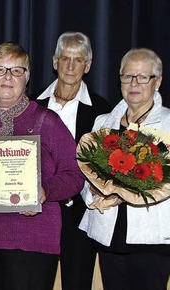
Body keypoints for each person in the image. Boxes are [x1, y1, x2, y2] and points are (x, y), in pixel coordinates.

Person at [0, 42, 85, 290]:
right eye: (0, 69)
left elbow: (75, 174)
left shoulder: (48, 121)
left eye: (16, 70)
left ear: (27, 78)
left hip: (33, 241)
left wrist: (45, 191)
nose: (7, 77)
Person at [79, 48, 170, 290]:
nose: (134, 83)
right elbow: (86, 176)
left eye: (142, 77)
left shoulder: (169, 124)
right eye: (127, 76)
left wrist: (136, 191)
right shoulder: (103, 122)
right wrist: (97, 192)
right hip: (110, 237)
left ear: (157, 81)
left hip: (153, 242)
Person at [30, 31, 111, 290]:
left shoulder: (102, 110)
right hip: (38, 212)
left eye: (78, 60)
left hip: (81, 214)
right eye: (65, 58)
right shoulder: (33, 106)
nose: (70, 66)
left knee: (78, 283)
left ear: (88, 66)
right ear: (55, 62)